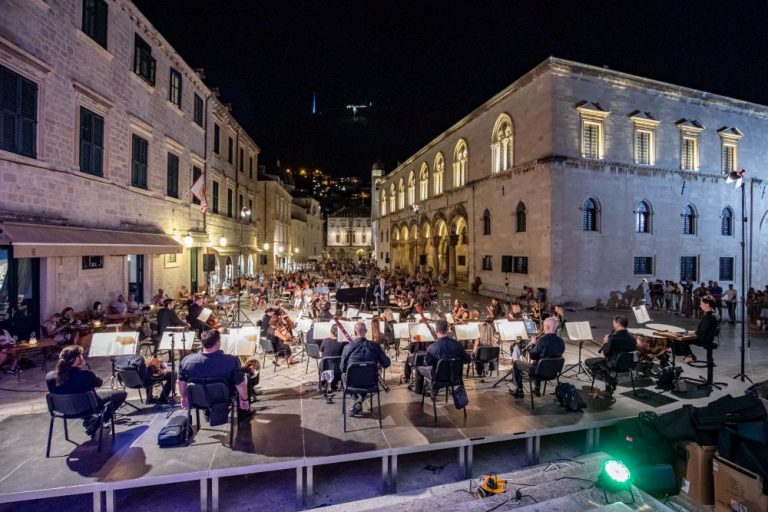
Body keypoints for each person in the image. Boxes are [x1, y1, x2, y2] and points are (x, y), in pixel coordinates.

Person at [46, 345, 127, 437]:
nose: (83, 357)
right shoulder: (86, 376)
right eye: (81, 355)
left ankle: (91, 420)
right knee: (121, 394)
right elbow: (99, 383)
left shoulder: (50, 377)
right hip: (87, 406)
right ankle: (97, 423)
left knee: (79, 398)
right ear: (76, 360)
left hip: (64, 409)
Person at [178, 330, 252, 422]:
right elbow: (240, 384)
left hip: (198, 400)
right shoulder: (231, 361)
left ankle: (207, 412)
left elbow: (181, 382)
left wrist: (183, 397)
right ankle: (244, 413)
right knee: (244, 378)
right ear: (218, 343)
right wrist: (244, 399)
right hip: (224, 399)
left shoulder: (186, 361)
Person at [340, 322, 391, 415]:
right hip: (371, 382)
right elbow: (387, 363)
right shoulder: (375, 346)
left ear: (355, 333)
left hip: (352, 383)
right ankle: (359, 400)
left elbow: (342, 368)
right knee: (364, 375)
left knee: (346, 375)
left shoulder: (347, 347)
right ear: (366, 331)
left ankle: (357, 400)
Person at [510, 317, 565, 398]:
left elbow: (533, 356)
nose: (543, 328)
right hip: (554, 372)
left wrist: (533, 344)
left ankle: (519, 390)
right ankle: (537, 389)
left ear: (547, 327)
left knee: (516, 363)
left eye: (544, 326)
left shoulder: (542, 340)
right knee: (540, 361)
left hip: (539, 373)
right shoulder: (561, 341)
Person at [585, 316, 636, 397]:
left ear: (618, 324)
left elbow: (606, 353)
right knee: (602, 363)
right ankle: (610, 381)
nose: (613, 326)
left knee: (589, 362)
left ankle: (610, 381)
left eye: (614, 324)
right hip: (629, 364)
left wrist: (605, 342)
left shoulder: (613, 338)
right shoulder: (632, 338)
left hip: (615, 365)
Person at [416, 319, 471, 388]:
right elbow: (467, 360)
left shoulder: (431, 347)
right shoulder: (458, 345)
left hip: (438, 379)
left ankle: (419, 391)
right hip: (455, 378)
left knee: (418, 368)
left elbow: (427, 363)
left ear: (436, 331)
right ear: (448, 330)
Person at [673, 295, 719, 364]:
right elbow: (704, 329)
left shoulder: (709, 317)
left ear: (707, 304)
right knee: (681, 338)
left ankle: (690, 356)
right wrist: (692, 332)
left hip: (704, 340)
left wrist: (691, 334)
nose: (700, 305)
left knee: (680, 339)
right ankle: (683, 354)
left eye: (701, 303)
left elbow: (702, 332)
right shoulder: (711, 314)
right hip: (706, 337)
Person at [319, 325, 346, 390]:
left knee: (325, 361)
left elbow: (320, 355)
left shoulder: (325, 340)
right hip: (338, 368)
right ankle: (339, 384)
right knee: (341, 362)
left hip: (326, 367)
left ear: (331, 331)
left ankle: (329, 385)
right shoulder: (342, 343)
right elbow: (344, 356)